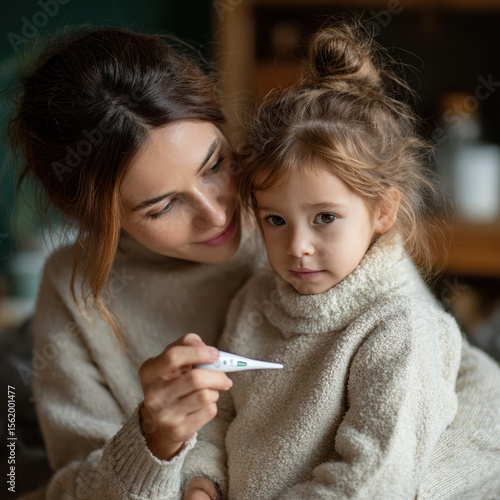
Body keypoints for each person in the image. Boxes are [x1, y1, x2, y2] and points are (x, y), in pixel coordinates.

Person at [183, 20, 500, 499]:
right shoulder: (256, 298)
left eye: (325, 217)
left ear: (383, 211)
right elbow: (221, 411)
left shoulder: (401, 329)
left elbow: (372, 480)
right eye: (274, 220)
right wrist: (202, 481)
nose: (298, 247)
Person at [10, 26, 260, 500]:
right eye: (163, 207)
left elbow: (440, 382)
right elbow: (71, 490)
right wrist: (152, 441)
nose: (216, 212)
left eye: (214, 165)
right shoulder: (75, 288)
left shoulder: (304, 210)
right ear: (97, 218)